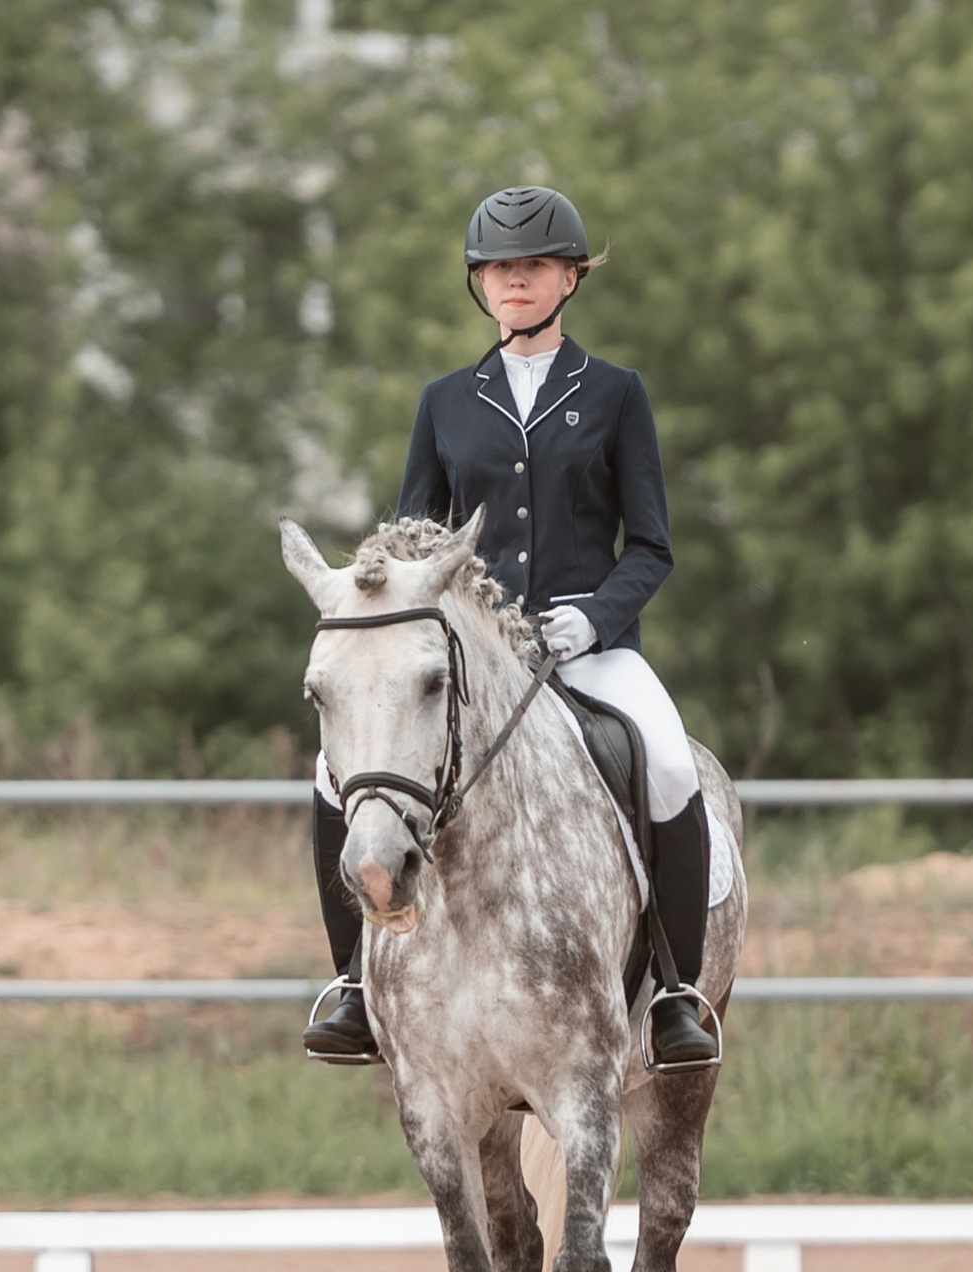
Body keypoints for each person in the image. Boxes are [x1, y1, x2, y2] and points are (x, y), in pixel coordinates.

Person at [303, 184, 719, 1070]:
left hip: (586, 650)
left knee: (670, 756)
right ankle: (351, 979)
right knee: (334, 773)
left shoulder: (614, 394)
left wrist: (596, 620)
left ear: (570, 278)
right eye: (498, 270)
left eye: (531, 269)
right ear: (479, 283)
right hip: (471, 661)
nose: (514, 283)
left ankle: (677, 994)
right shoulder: (447, 401)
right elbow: (408, 543)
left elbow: (651, 546)